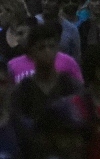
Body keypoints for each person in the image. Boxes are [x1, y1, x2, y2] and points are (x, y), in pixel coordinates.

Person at [10, 22, 83, 157]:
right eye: (41, 48)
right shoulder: (23, 90)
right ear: (31, 52)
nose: (47, 52)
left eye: (52, 46)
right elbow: (17, 127)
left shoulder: (70, 85)